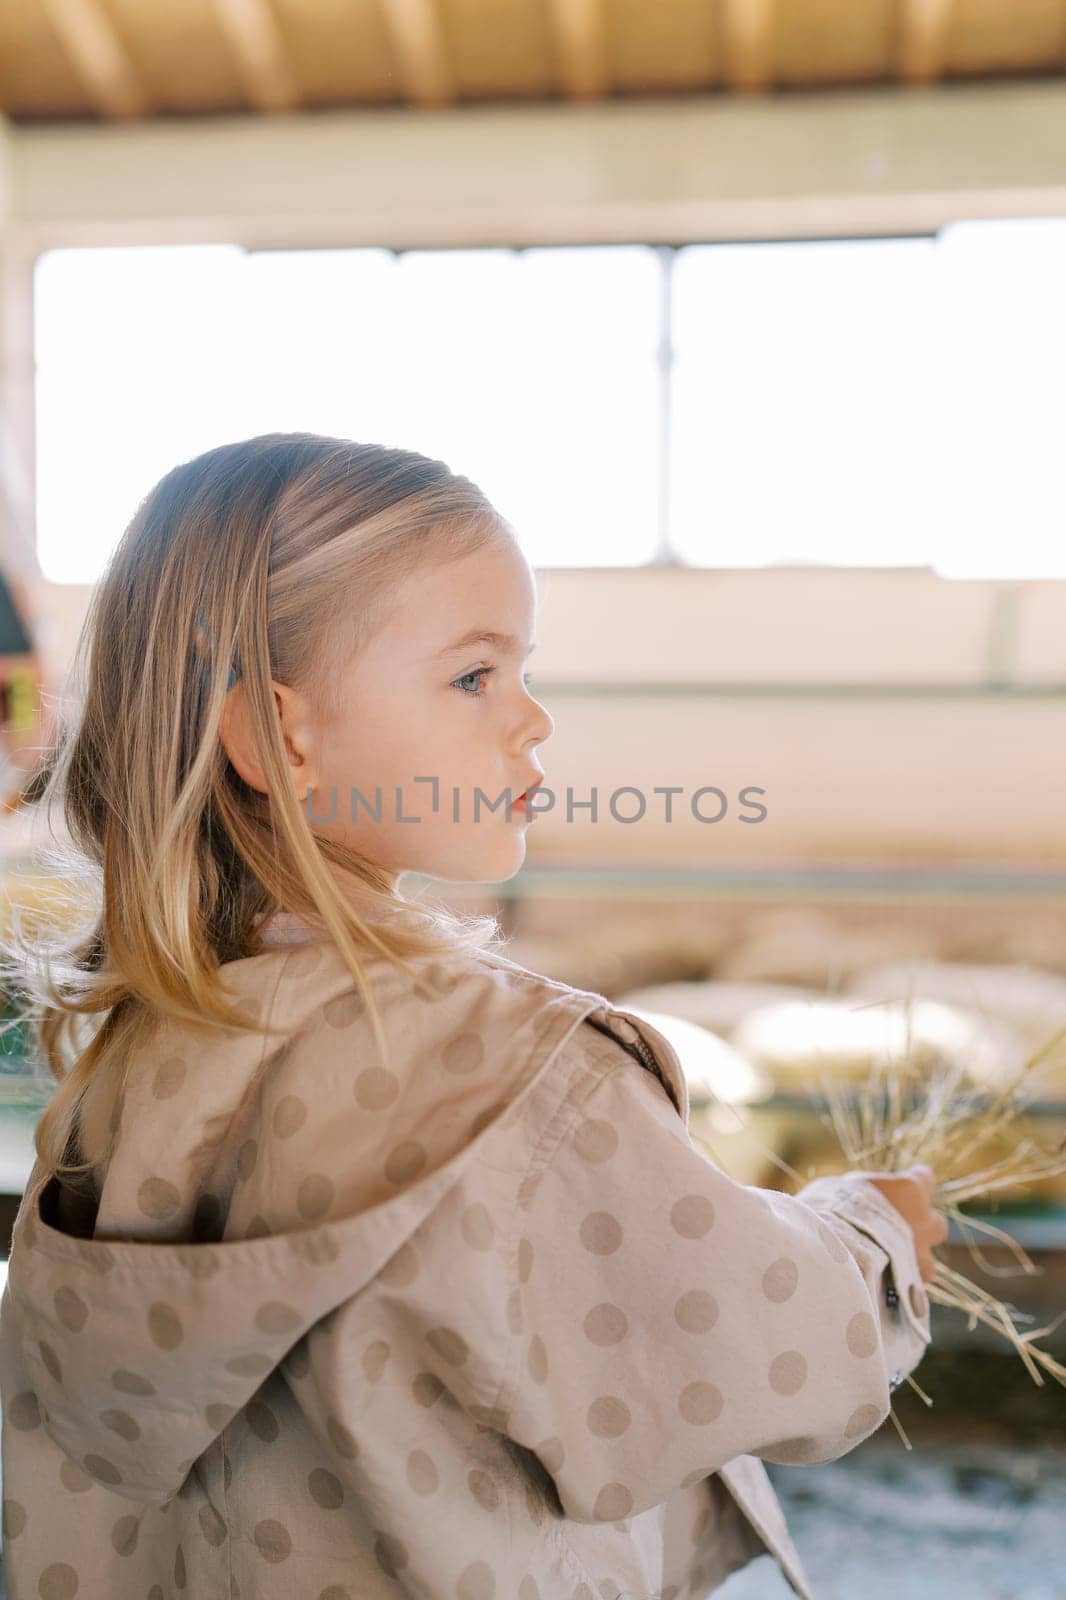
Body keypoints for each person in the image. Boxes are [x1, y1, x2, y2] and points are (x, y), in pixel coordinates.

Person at [0, 433, 948, 1600]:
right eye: (474, 675)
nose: (531, 719)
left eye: (522, 670)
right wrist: (875, 1236)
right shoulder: (516, 1071)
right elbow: (772, 1347)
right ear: (278, 735)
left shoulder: (137, 1048)